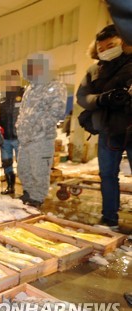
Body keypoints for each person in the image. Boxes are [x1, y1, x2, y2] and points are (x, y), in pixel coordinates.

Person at [76, 24, 131, 230]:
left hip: (130, 128)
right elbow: (82, 97)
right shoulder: (94, 69)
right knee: (107, 175)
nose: (106, 50)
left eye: (111, 45)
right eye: (101, 48)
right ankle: (109, 219)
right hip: (108, 131)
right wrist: (101, 99)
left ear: (123, 42)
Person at [16, 53, 67, 208]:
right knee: (23, 169)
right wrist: (20, 126)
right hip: (25, 139)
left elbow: (56, 112)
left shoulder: (56, 86)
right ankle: (28, 193)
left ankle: (37, 198)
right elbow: (23, 111)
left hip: (41, 138)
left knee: (39, 171)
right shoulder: (30, 89)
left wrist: (37, 128)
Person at [0, 69, 24, 195]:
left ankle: (27, 189)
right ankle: (10, 186)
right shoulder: (1, 97)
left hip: (20, 137)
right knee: (6, 162)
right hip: (5, 138)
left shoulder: (25, 94)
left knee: (23, 164)